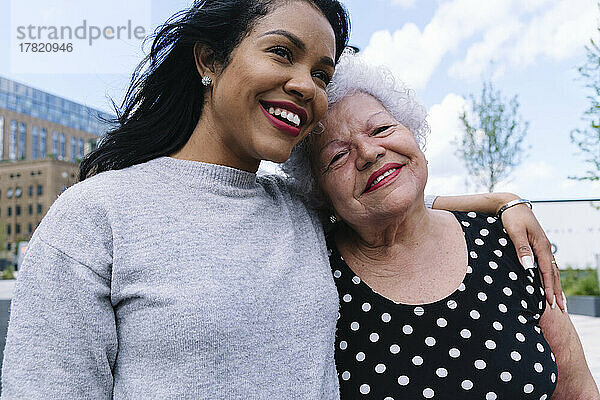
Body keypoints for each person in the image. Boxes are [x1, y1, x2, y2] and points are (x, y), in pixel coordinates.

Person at [1, 0, 562, 398]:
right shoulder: (95, 216)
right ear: (208, 60)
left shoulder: (298, 213)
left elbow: (396, 200)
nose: (305, 85)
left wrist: (503, 201)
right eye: (281, 53)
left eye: (322, 72)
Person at [284, 55, 599, 399]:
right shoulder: (312, 275)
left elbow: (576, 389)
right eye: (337, 156)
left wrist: (505, 200)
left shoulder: (506, 240)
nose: (369, 152)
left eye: (381, 129)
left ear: (412, 134)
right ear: (320, 192)